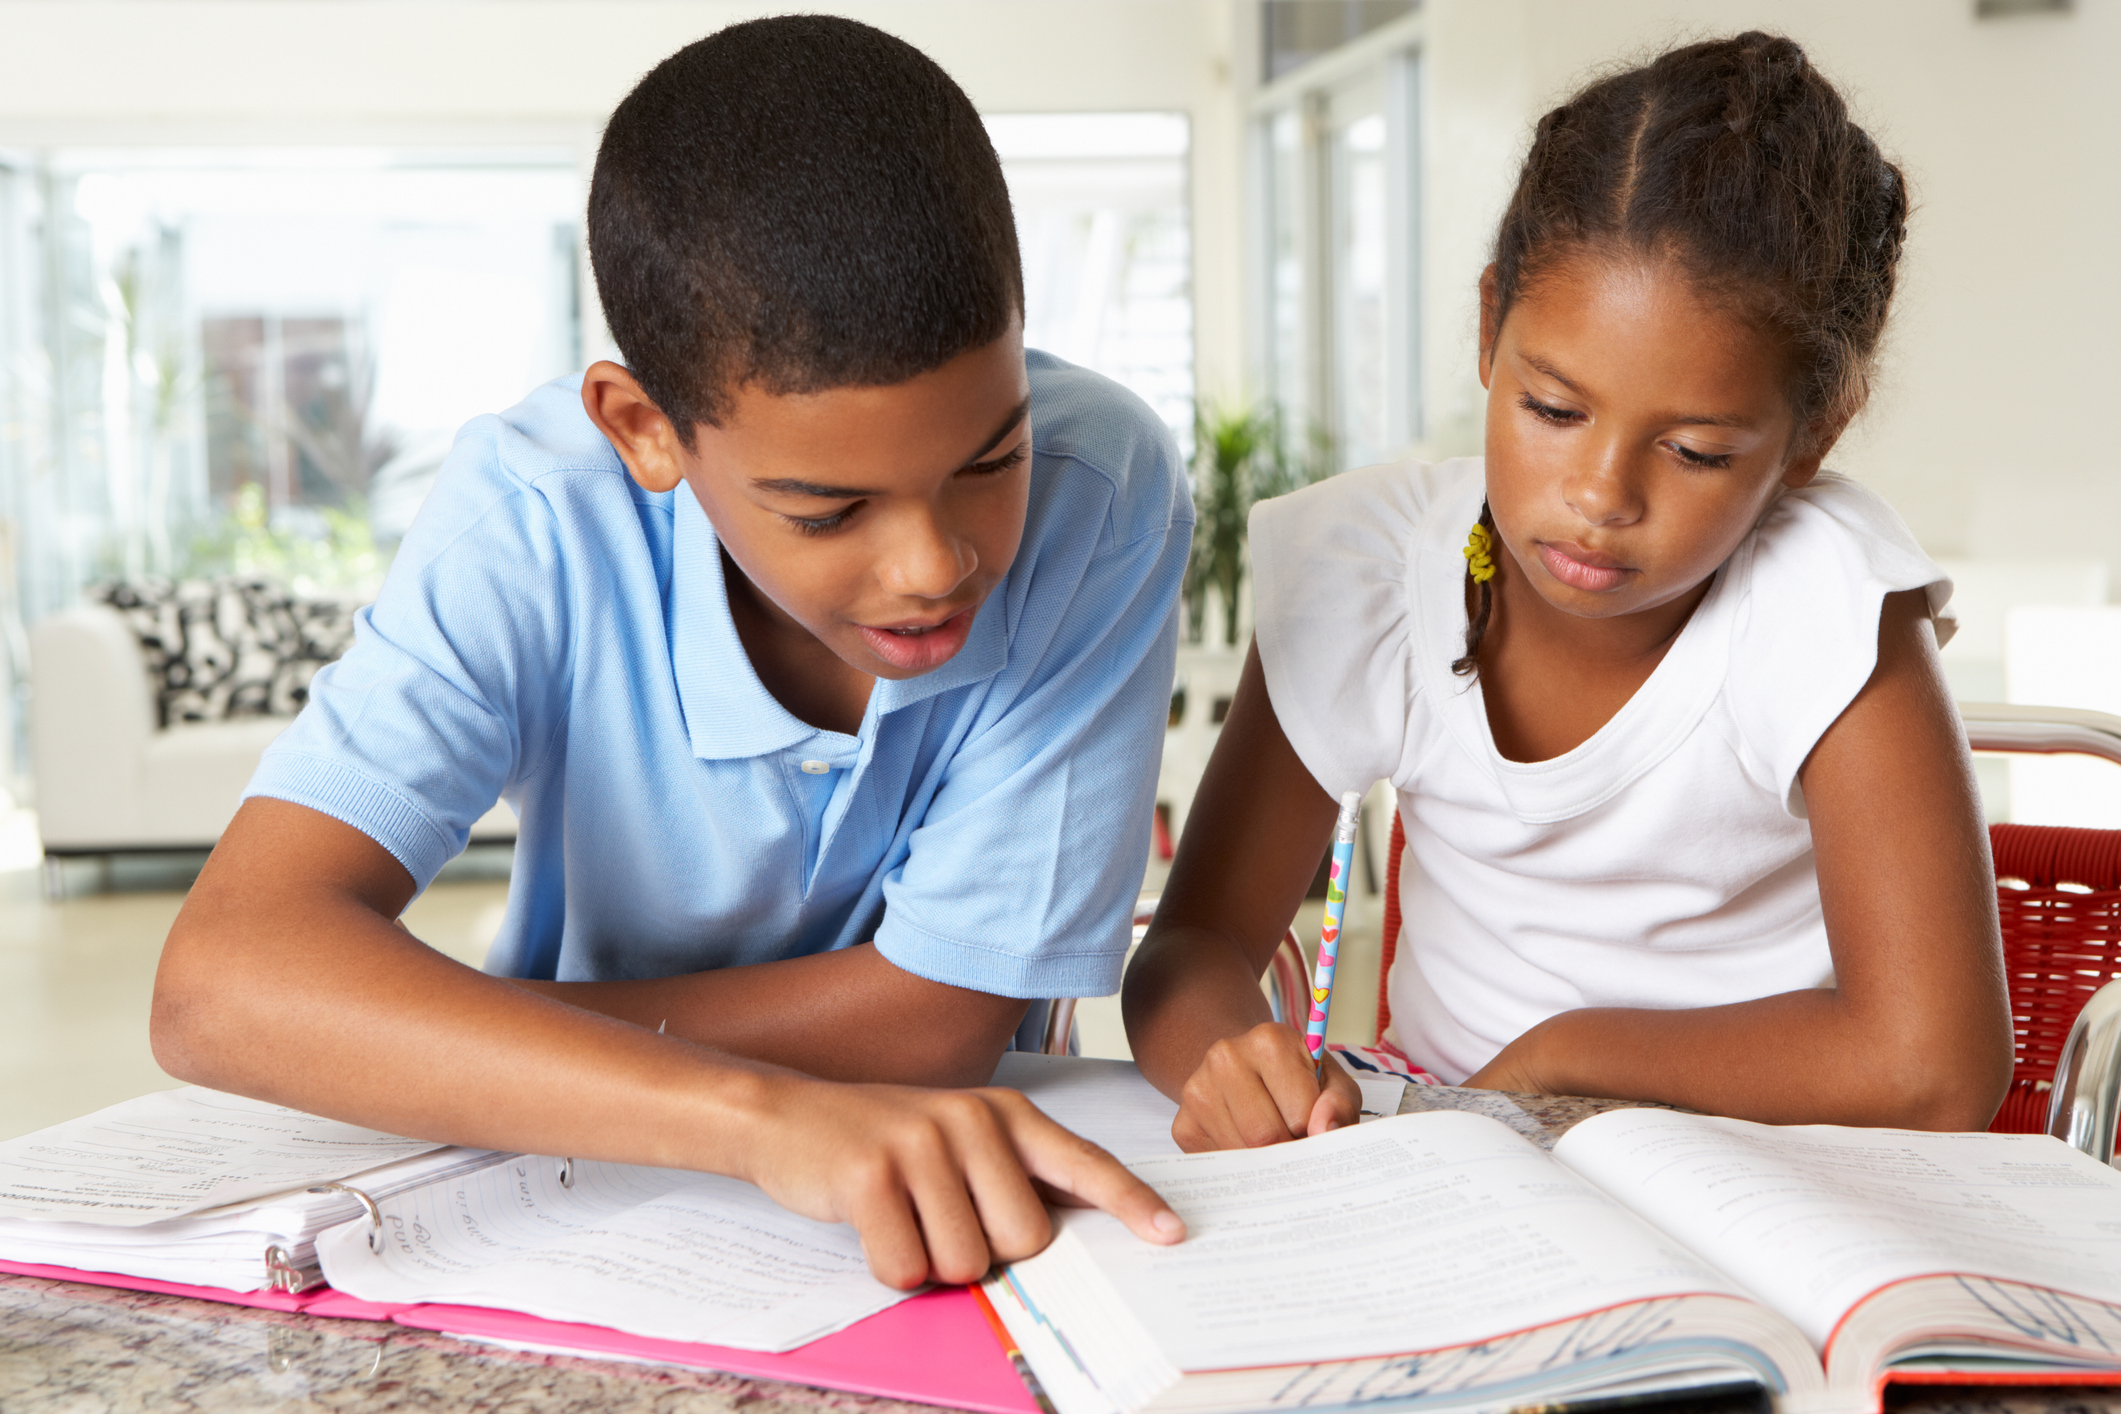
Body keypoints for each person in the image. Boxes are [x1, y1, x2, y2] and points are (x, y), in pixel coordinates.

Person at [151, 15, 1192, 1288]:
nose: (933, 565)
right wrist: (755, 1117)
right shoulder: (535, 523)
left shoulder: (1104, 486)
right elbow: (223, 984)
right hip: (555, 1197)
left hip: (908, 1186)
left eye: (991, 460)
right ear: (645, 429)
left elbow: (934, 1028)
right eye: (827, 510)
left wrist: (432, 1035)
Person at [1123, 32, 2013, 1152]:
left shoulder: (1825, 602)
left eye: (1693, 452)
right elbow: (1193, 945)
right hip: (1454, 1167)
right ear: (1492, 326)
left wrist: (1566, 1057)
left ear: (1812, 435)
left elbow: (1936, 1067)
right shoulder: (1378, 574)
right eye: (1553, 411)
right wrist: (1234, 1063)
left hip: (1765, 1167)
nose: (1599, 496)